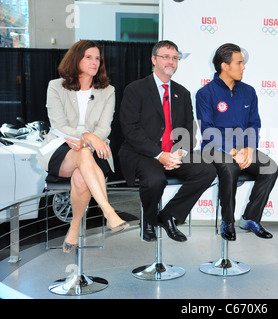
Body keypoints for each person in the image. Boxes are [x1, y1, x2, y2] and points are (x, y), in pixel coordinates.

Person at [119, 40, 216, 242]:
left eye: (174, 58)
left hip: (174, 153)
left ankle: (169, 215)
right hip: (144, 153)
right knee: (155, 180)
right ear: (154, 60)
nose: (170, 62)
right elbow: (131, 130)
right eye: (165, 57)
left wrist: (179, 152)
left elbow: (188, 129)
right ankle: (148, 219)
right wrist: (159, 155)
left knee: (207, 170)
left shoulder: (183, 93)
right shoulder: (135, 89)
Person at [37, 40, 129, 253]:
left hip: (94, 149)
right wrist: (87, 136)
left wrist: (89, 140)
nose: (94, 62)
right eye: (88, 57)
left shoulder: (108, 91)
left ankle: (74, 226)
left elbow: (105, 128)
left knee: (81, 175)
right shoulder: (56, 86)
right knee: (84, 154)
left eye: (97, 58)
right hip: (60, 147)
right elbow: (59, 125)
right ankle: (109, 212)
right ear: (76, 58)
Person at [196, 43, 278, 241]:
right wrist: (234, 152)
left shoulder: (249, 92)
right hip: (214, 150)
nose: (243, 67)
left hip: (244, 148)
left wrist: (249, 149)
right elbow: (208, 130)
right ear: (225, 66)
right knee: (230, 168)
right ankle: (228, 222)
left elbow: (254, 123)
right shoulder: (205, 94)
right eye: (239, 63)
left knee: (270, 168)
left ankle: (251, 218)